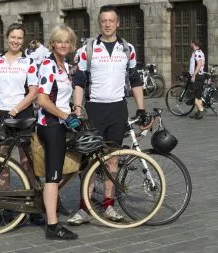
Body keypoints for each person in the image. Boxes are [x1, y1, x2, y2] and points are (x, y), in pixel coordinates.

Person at [68, 5, 145, 225]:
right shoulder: (88, 49)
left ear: (118, 23)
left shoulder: (127, 48)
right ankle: (84, 207)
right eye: (104, 21)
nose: (108, 24)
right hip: (94, 109)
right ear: (99, 23)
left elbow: (135, 79)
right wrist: (76, 108)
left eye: (111, 21)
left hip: (118, 109)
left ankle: (109, 205)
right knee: (89, 161)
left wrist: (141, 107)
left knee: (112, 160)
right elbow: (79, 82)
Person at [0, 23, 44, 226]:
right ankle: (5, 208)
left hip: (22, 113)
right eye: (13, 37)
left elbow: (34, 91)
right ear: (7, 37)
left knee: (27, 162)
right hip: (0, 113)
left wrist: (15, 110)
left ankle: (33, 206)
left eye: (20, 38)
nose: (16, 41)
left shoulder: (29, 62)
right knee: (2, 162)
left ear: (23, 40)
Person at [37, 24, 81, 240]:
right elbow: (43, 100)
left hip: (60, 123)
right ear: (52, 43)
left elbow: (60, 97)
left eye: (67, 41)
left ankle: (50, 204)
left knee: (62, 171)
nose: (64, 44)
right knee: (52, 177)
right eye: (59, 41)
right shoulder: (48, 65)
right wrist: (66, 116)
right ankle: (53, 226)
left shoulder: (63, 66)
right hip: (50, 125)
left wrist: (72, 110)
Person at [188, 39, 206, 119]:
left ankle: (201, 110)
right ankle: (198, 113)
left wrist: (194, 75)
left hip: (198, 76)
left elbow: (199, 64)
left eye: (191, 42)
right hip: (200, 76)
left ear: (193, 44)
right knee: (198, 95)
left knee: (193, 94)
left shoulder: (197, 53)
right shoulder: (199, 52)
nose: (190, 44)